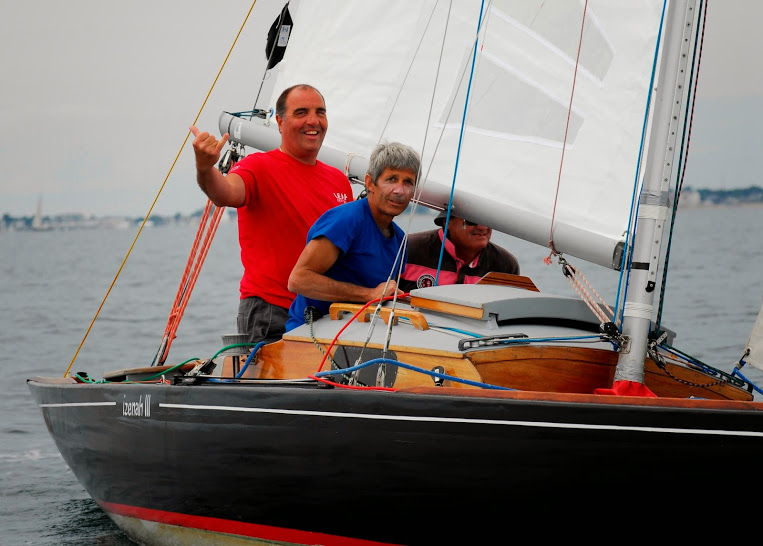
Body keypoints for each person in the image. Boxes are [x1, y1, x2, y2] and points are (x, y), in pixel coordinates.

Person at [190, 84, 352, 344]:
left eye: (320, 112)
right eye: (301, 112)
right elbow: (224, 193)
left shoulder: (339, 180)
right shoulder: (257, 167)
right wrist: (205, 168)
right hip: (271, 313)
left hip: (326, 314)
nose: (313, 121)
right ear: (279, 122)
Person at [285, 142, 420, 330]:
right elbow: (299, 280)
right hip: (309, 335)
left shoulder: (399, 240)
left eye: (408, 182)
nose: (400, 191)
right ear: (370, 183)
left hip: (358, 336)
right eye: (391, 179)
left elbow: (383, 294)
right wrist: (369, 294)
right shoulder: (346, 221)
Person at [398, 211, 520, 292]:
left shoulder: (506, 265)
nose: (483, 227)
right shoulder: (406, 249)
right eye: (472, 220)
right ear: (446, 221)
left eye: (488, 220)